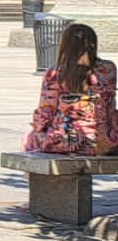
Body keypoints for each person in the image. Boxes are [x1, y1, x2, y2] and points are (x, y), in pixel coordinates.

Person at [24, 21, 117, 154]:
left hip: (70, 142)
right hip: (105, 141)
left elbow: (46, 112)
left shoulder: (55, 73)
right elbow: (109, 107)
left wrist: (38, 130)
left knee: (28, 140)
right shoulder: (109, 69)